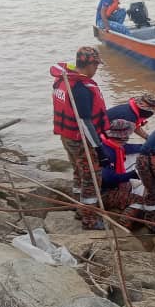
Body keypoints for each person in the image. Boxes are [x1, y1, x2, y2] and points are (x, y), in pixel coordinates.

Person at [51, 46, 110, 230]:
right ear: (90, 64)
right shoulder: (81, 88)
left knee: (78, 170)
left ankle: (79, 207)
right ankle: (90, 219)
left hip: (65, 136)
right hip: (79, 139)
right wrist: (100, 150)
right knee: (92, 176)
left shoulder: (63, 80)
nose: (96, 70)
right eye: (96, 66)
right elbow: (85, 122)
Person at [99, 119, 145, 221]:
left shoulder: (110, 144)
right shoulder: (107, 154)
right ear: (123, 136)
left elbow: (129, 148)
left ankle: (121, 204)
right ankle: (125, 221)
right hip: (103, 192)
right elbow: (108, 179)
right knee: (142, 201)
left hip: (111, 186)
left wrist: (147, 147)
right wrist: (134, 174)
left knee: (130, 185)